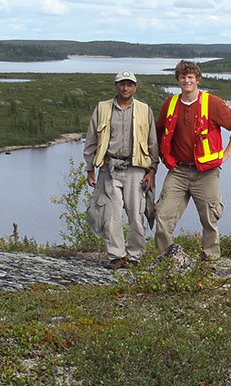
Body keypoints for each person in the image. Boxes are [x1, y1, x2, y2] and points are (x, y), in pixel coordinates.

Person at [154, 60, 231, 261]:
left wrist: (226, 154)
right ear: (178, 80)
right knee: (162, 215)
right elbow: (158, 131)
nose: (186, 80)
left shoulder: (212, 103)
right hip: (178, 171)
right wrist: (162, 156)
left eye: (190, 77)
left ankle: (210, 261)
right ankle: (167, 260)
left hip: (206, 173)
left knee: (209, 219)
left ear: (197, 79)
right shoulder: (170, 104)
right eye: (182, 77)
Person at [83, 71, 158, 270]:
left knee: (136, 214)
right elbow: (91, 139)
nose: (126, 88)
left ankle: (135, 256)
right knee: (111, 215)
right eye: (122, 84)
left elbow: (152, 142)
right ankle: (116, 256)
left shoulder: (144, 109)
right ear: (115, 86)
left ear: (135, 87)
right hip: (110, 168)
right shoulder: (102, 109)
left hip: (136, 169)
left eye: (130, 84)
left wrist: (152, 170)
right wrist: (90, 168)